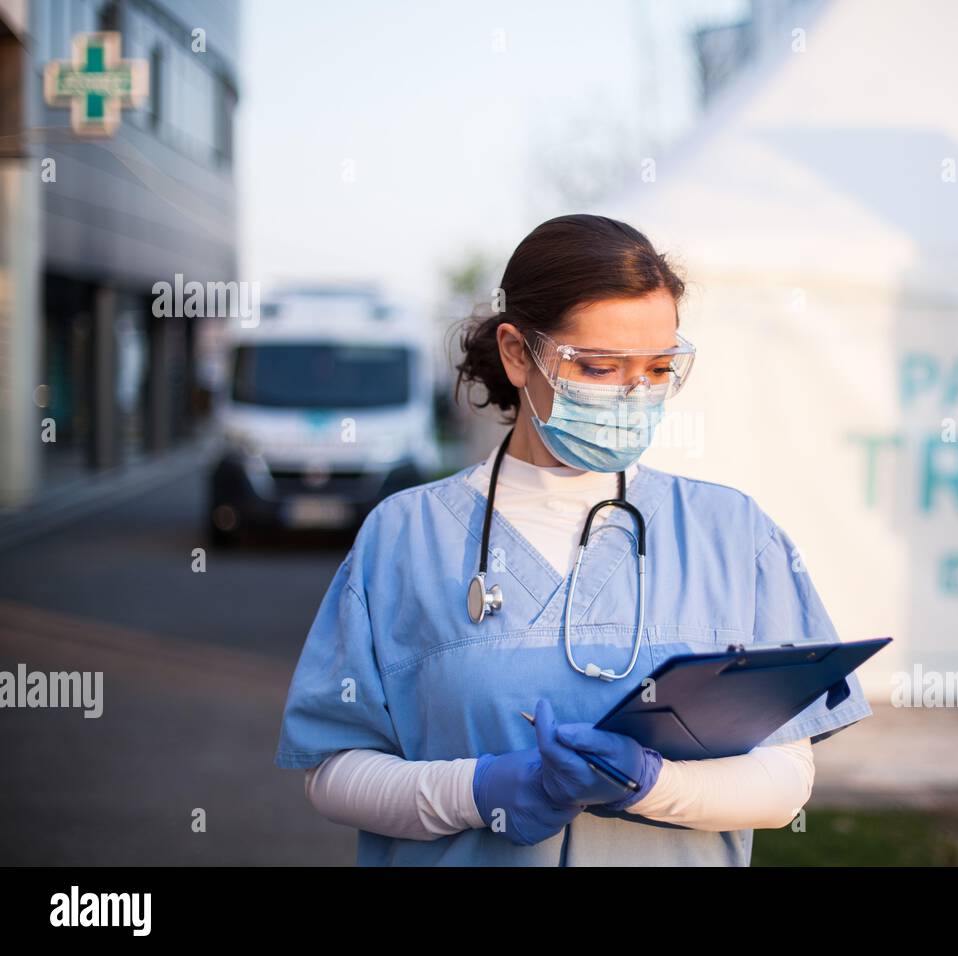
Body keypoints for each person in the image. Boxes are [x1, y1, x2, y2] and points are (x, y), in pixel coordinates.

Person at [273, 214, 873, 865]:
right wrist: (479, 791)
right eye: (598, 366)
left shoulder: (734, 534)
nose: (633, 394)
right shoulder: (404, 537)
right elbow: (333, 775)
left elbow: (786, 783)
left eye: (657, 368)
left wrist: (650, 785)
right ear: (515, 353)